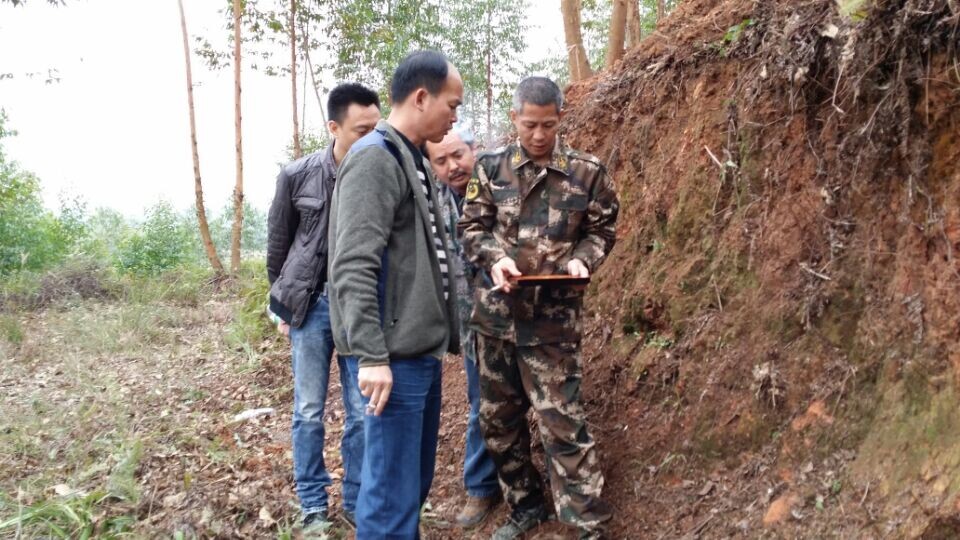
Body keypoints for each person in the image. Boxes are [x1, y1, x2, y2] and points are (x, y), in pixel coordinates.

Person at [458, 76, 619, 540]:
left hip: (553, 321)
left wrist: (582, 260)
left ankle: (586, 520)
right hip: (496, 318)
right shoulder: (489, 169)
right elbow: (471, 227)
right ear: (515, 119)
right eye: (530, 125)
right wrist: (496, 258)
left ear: (560, 118)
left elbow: (603, 230)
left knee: (563, 423)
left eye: (548, 124)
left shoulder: (587, 172)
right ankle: (525, 505)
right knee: (498, 422)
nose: (539, 135)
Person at [327, 50, 462, 539]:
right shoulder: (375, 159)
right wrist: (370, 356)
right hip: (391, 362)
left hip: (416, 352)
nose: (454, 116)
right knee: (389, 500)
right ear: (421, 97)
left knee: (410, 487)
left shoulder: (413, 159)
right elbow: (352, 263)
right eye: (452, 104)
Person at [266, 83, 381, 533]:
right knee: (309, 409)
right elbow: (279, 245)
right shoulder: (297, 175)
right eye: (361, 130)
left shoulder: (378, 172)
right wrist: (281, 303)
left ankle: (354, 499)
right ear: (334, 127)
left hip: (357, 308)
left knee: (361, 411)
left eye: (377, 129)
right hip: (310, 306)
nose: (371, 138)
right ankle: (312, 503)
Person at [425, 126, 503, 529]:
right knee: (482, 404)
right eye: (441, 160)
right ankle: (482, 486)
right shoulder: (432, 203)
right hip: (471, 324)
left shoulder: (503, 181)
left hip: (521, 313)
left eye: (458, 155)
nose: (453, 166)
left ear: (475, 150)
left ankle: (535, 485)